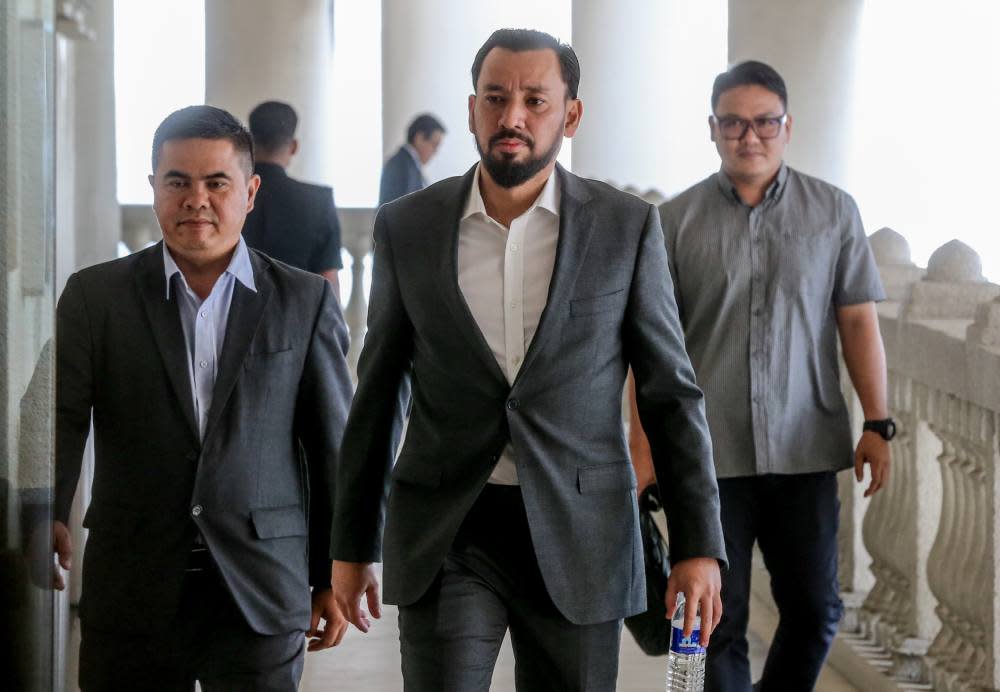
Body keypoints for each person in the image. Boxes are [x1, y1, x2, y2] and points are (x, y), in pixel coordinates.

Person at [331, 29, 726, 691]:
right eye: (495, 97)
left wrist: (698, 545)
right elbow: (378, 392)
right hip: (450, 528)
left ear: (570, 115)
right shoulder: (410, 225)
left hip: (582, 531)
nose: (511, 116)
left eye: (534, 101)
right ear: (472, 109)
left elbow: (670, 394)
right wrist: (350, 545)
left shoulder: (626, 228)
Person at [52, 105, 354, 691]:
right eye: (178, 182)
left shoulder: (303, 302)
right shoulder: (96, 298)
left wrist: (332, 570)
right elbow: (60, 418)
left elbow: (332, 448)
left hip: (260, 592)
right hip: (132, 587)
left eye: (217, 182)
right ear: (154, 189)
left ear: (250, 190)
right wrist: (48, 513)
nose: (197, 199)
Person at [630, 61, 892, 692]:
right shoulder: (673, 224)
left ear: (787, 125)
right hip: (705, 460)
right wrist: (642, 453)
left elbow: (858, 322)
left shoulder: (833, 212)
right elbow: (650, 352)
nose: (750, 136)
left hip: (805, 453)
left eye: (765, 122)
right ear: (713, 128)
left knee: (815, 610)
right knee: (709, 617)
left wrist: (879, 422)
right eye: (734, 123)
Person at [243, 100, 343, 300]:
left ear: (249, 144)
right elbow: (328, 281)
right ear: (294, 146)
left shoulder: (230, 195)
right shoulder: (318, 201)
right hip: (299, 322)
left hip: (233, 322)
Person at [377, 113, 445, 206]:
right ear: (419, 138)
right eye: (434, 145)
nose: (435, 152)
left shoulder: (409, 164)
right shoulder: (401, 165)